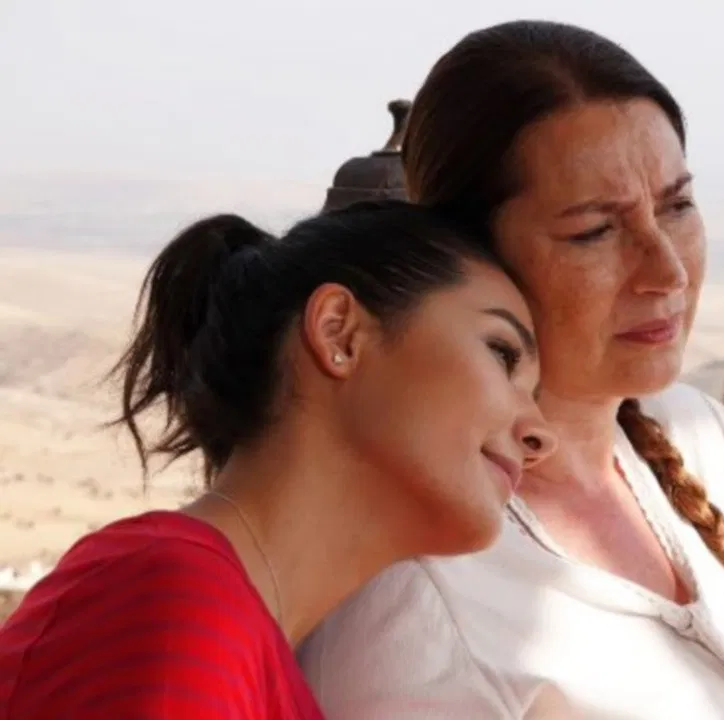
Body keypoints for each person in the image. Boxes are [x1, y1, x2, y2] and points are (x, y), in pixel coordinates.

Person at [298, 20, 724, 720]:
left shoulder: (708, 442)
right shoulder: (410, 595)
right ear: (470, 260)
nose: (667, 270)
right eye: (595, 231)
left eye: (677, 206)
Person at [0, 201, 555, 719]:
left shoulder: (234, 638)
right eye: (502, 354)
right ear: (339, 333)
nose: (540, 434)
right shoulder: (181, 610)